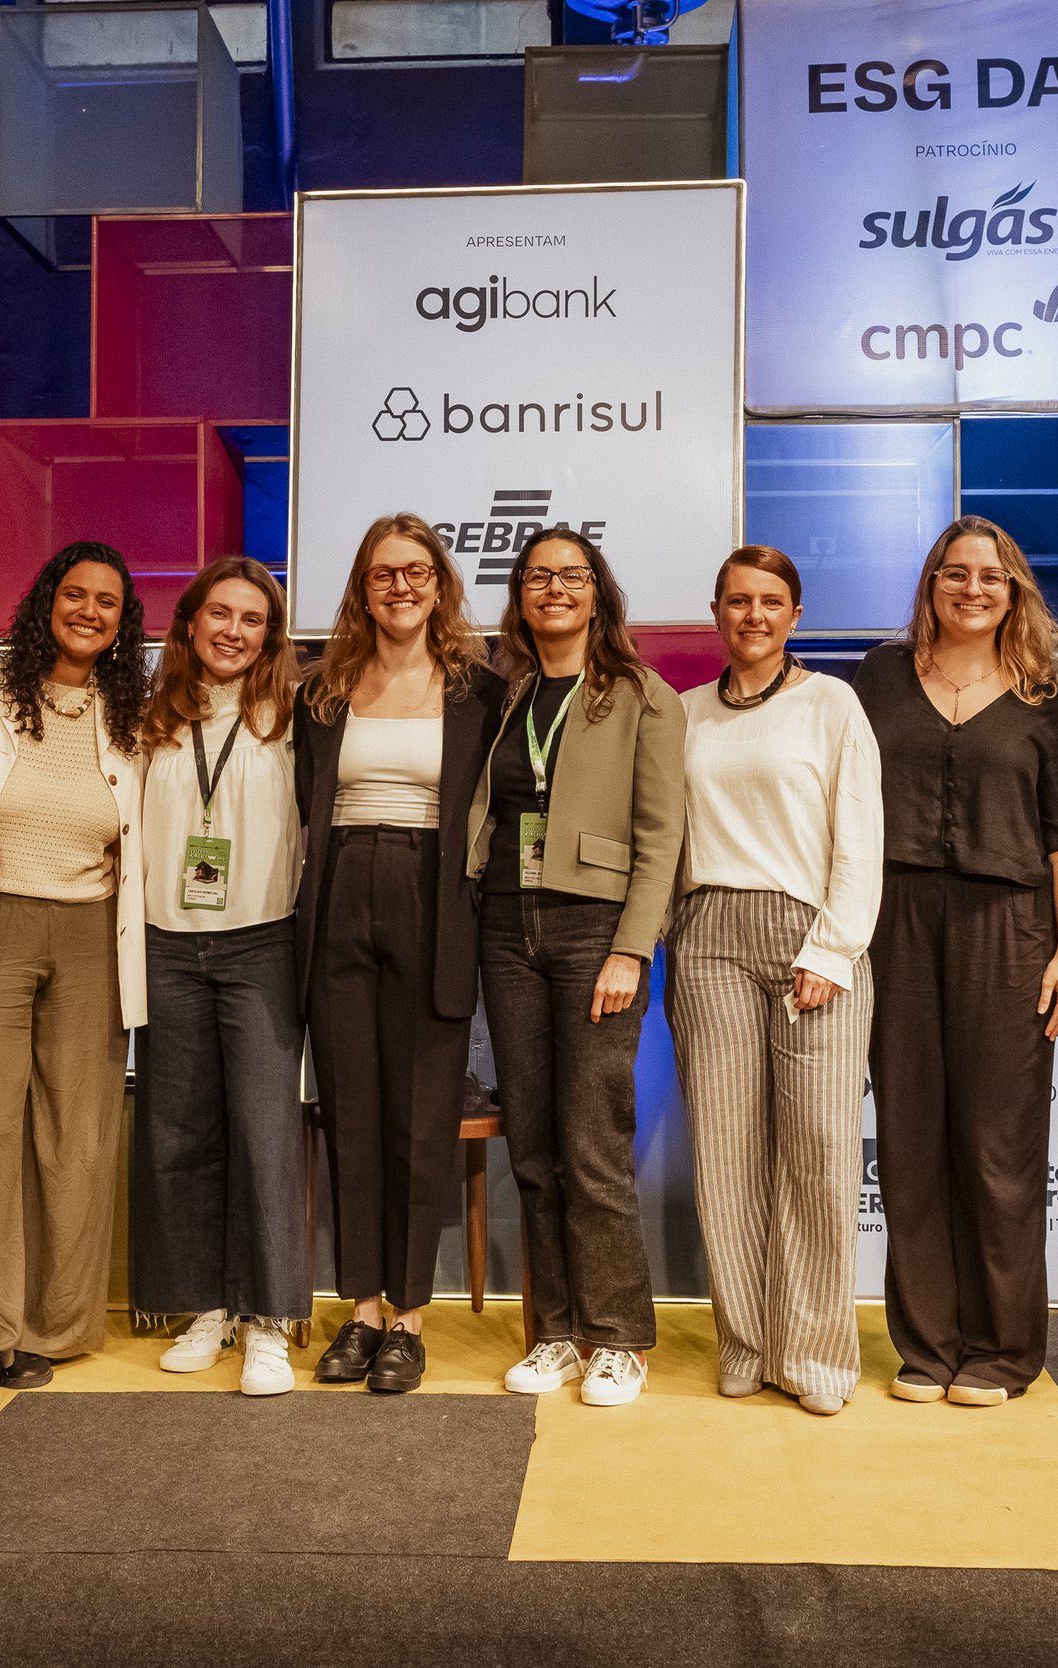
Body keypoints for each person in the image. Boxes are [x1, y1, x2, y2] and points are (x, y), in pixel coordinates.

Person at [854, 516, 1058, 1407]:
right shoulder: (880, 676)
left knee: (999, 1146)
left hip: (1009, 927)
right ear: (931, 584)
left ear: (1013, 589)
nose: (973, 588)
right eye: (956, 573)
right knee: (911, 1141)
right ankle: (926, 1345)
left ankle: (1001, 1349)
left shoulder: (1045, 695)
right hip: (895, 922)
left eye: (991, 576)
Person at [0, 542, 149, 1413]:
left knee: (76, 1133)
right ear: (45, 601)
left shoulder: (132, 714)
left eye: (107, 601)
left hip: (93, 930)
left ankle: (49, 1328)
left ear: (124, 621)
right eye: (74, 594)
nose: (88, 611)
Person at [471, 528, 685, 1410]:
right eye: (537, 576)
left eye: (572, 575)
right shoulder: (508, 694)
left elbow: (662, 837)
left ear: (599, 593)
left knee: (593, 1143)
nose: (554, 588)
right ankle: (557, 1332)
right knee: (533, 1144)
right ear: (519, 595)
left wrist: (631, 948)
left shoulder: (641, 695)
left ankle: (620, 1339)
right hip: (505, 926)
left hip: (594, 927)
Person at [668, 547, 881, 1414]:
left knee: (820, 1154)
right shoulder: (685, 713)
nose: (752, 615)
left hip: (810, 936)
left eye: (770, 601)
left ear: (795, 614)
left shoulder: (832, 703)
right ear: (716, 612)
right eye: (737, 601)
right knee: (726, 1153)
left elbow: (859, 836)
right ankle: (748, 1343)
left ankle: (817, 1355)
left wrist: (832, 951)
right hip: (708, 933)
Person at [296, 513, 503, 1394]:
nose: (401, 587)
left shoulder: (482, 692)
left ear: (440, 585)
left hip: (433, 896)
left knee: (420, 1116)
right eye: (383, 573)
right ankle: (363, 1310)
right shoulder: (323, 690)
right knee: (351, 1111)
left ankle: (410, 1319)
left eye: (417, 571)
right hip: (340, 889)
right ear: (362, 588)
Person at [129, 557, 308, 1396]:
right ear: (191, 622)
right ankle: (205, 1305)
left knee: (264, 1134)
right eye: (220, 614)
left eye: (252, 619)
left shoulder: (296, 716)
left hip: (261, 944)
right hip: (166, 943)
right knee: (179, 1133)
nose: (234, 631)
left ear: (270, 636)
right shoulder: (148, 717)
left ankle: (268, 1319)